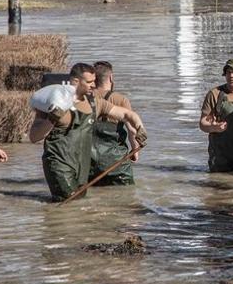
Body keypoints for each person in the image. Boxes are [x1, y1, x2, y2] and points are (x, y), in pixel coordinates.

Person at [29, 62, 146, 202]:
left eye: (94, 81)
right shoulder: (52, 102)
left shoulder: (95, 102)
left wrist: (140, 127)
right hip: (59, 164)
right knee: (69, 204)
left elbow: (127, 115)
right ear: (75, 81)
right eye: (89, 82)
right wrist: (52, 120)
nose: (93, 85)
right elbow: (34, 137)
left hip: (82, 166)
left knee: (80, 205)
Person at [198, 57, 233, 173]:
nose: (232, 76)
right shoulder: (215, 94)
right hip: (221, 155)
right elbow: (203, 123)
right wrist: (214, 128)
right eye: (229, 72)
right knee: (218, 186)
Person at [90, 60, 137, 186]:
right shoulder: (121, 99)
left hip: (88, 161)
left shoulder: (84, 98)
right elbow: (132, 131)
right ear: (111, 77)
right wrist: (135, 151)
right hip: (116, 163)